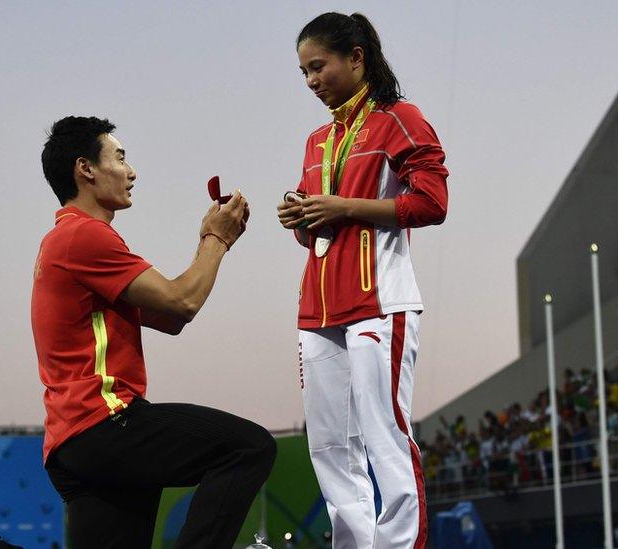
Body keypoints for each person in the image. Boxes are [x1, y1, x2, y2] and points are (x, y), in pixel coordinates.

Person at [0, 116, 276, 549]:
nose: (132, 172)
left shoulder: (68, 241)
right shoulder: (84, 238)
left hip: (72, 443)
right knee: (249, 448)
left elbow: (171, 318)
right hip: (106, 422)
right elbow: (183, 301)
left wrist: (207, 241)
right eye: (120, 157)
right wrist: (218, 240)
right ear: (86, 169)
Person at [276, 12, 448, 548]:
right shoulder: (316, 141)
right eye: (303, 72)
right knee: (329, 446)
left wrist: (343, 206)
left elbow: (432, 202)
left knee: (385, 436)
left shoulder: (399, 118)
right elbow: (322, 233)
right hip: (318, 311)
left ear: (356, 56)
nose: (311, 81)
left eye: (318, 66)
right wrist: (303, 218)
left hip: (380, 302)